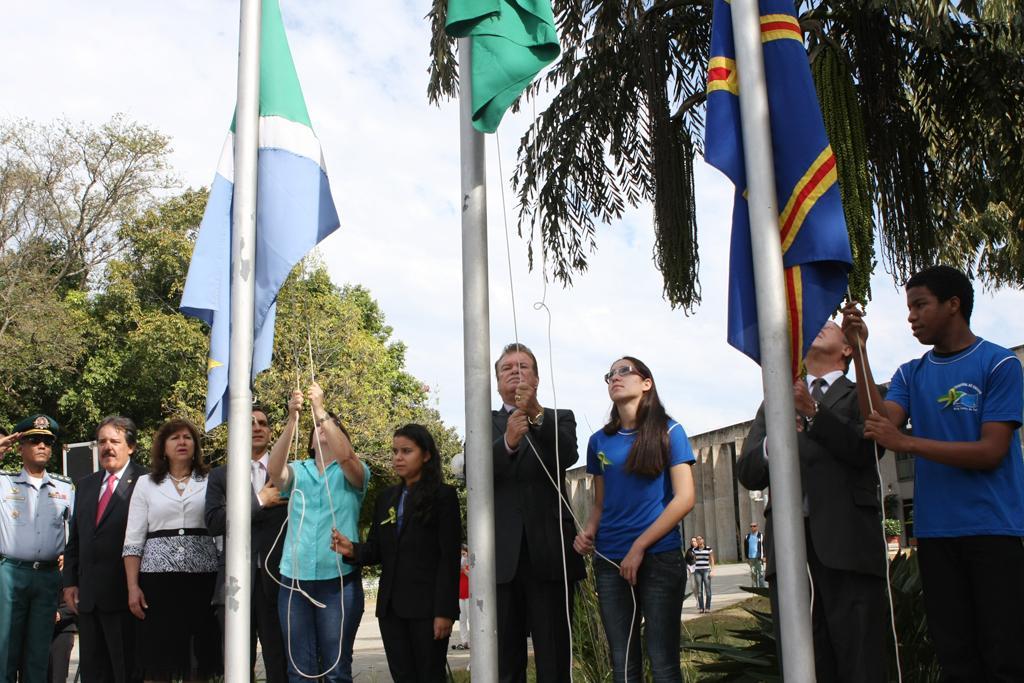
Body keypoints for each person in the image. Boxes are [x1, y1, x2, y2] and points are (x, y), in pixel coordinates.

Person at [842, 265, 1024, 682]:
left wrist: (908, 442)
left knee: (1005, 655)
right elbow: (879, 422)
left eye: (920, 305)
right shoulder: (911, 372)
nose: (911, 317)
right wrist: (860, 351)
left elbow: (991, 451)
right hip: (937, 535)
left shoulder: (999, 365)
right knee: (955, 656)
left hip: (994, 532)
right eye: (909, 308)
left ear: (954, 305)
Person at [736, 319, 888, 682]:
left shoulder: (862, 394)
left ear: (847, 349)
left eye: (829, 323)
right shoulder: (775, 399)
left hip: (847, 547)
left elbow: (867, 449)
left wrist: (814, 413)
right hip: (790, 553)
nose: (817, 325)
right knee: (806, 664)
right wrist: (777, 436)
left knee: (860, 661)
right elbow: (748, 470)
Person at [573, 357, 696, 682]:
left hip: (659, 558)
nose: (615, 377)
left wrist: (640, 546)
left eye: (624, 371)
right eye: (610, 374)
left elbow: (685, 499)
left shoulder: (671, 431)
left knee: (662, 660)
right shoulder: (598, 441)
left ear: (646, 383)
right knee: (623, 663)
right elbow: (601, 504)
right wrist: (588, 531)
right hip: (610, 563)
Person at [332, 424, 461, 681]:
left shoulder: (443, 496)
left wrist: (444, 611)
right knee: (402, 676)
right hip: (391, 609)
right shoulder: (386, 498)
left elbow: (449, 558)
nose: (398, 457)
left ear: (425, 455)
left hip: (427, 609)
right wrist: (352, 550)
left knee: (430, 676)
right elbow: (378, 549)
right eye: (394, 451)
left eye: (406, 451)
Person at [490, 342, 585, 683]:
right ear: (497, 381)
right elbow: (477, 471)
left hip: (551, 554)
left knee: (555, 655)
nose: (515, 371)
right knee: (506, 660)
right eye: (507, 368)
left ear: (537, 378)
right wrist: (508, 444)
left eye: (523, 366)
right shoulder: (482, 422)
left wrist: (535, 415)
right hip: (502, 561)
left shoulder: (560, 418)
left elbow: (567, 456)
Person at [267, 384, 370, 683]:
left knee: (337, 670)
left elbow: (348, 460)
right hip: (294, 582)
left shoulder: (354, 471)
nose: (322, 428)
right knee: (299, 671)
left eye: (331, 426)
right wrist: (293, 420)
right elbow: (275, 472)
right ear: (310, 440)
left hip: (338, 582)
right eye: (318, 427)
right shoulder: (298, 469)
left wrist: (321, 411)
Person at [122, 418, 222, 681]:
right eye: (174, 438)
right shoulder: (145, 483)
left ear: (196, 445)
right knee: (159, 657)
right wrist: (133, 587)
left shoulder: (211, 479)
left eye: (187, 437)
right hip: (158, 582)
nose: (182, 442)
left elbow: (221, 530)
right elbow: (133, 540)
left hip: (202, 580)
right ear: (163, 446)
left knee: (199, 657)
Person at [205, 405, 289, 683]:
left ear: (270, 431)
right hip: (233, 585)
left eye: (262, 423)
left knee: (280, 662)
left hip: (277, 582)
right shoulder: (220, 476)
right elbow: (214, 521)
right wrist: (258, 501)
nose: (256, 428)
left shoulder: (287, 474)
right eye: (249, 423)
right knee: (238, 666)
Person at [63, 416, 146, 683]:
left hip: (125, 598)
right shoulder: (86, 484)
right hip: (88, 600)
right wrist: (70, 582)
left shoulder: (146, 481)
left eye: (115, 441)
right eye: (102, 442)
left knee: (125, 673)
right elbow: (76, 538)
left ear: (130, 447)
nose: (107, 447)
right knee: (93, 674)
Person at [0, 414, 74, 683]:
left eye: (47, 441)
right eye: (34, 440)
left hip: (47, 577)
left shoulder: (65, 488)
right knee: (5, 652)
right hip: (10, 573)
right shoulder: (4, 482)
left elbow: (74, 532)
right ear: (20, 447)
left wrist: (69, 554)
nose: (42, 445)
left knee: (38, 656)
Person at [691, 536, 714, 614]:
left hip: (706, 570)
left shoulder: (708, 549)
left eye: (700, 539)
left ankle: (707, 607)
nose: (699, 540)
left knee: (708, 589)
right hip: (697, 571)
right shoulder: (694, 550)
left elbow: (712, 560)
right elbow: (694, 560)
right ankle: (701, 608)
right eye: (697, 539)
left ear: (703, 540)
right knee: (699, 590)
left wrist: (712, 571)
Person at [455, 544, 470, 650]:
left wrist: (464, 570)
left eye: (464, 554)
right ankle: (464, 641)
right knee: (462, 619)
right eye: (460, 555)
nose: (462, 557)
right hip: (461, 596)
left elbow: (473, 577)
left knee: (470, 619)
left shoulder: (470, 564)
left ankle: (473, 640)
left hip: (469, 596)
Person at [743, 523, 765, 588]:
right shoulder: (748, 536)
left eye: (754, 526)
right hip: (751, 558)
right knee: (753, 575)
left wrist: (764, 556)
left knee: (761, 574)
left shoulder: (760, 536)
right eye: (751, 526)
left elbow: (764, 546)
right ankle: (755, 590)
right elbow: (745, 547)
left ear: (757, 527)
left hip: (759, 558)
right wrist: (746, 557)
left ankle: (762, 590)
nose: (753, 527)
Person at [683, 537, 698, 606]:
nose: (693, 542)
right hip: (692, 570)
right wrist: (688, 568)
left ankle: (700, 602)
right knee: (693, 586)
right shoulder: (689, 551)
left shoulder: (701, 549)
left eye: (694, 541)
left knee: (700, 586)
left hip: (700, 570)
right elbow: (685, 561)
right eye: (692, 541)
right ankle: (697, 599)